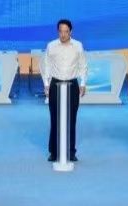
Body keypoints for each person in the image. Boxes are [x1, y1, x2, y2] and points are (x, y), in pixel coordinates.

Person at [42, 19, 87, 162]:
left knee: (71, 119)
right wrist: (46, 83)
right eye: (61, 31)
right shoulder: (51, 46)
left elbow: (83, 65)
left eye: (66, 31)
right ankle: (54, 152)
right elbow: (46, 65)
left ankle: (71, 151)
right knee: (55, 118)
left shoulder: (78, 46)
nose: (63, 34)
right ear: (58, 31)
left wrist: (83, 83)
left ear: (70, 32)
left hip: (72, 85)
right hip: (55, 84)